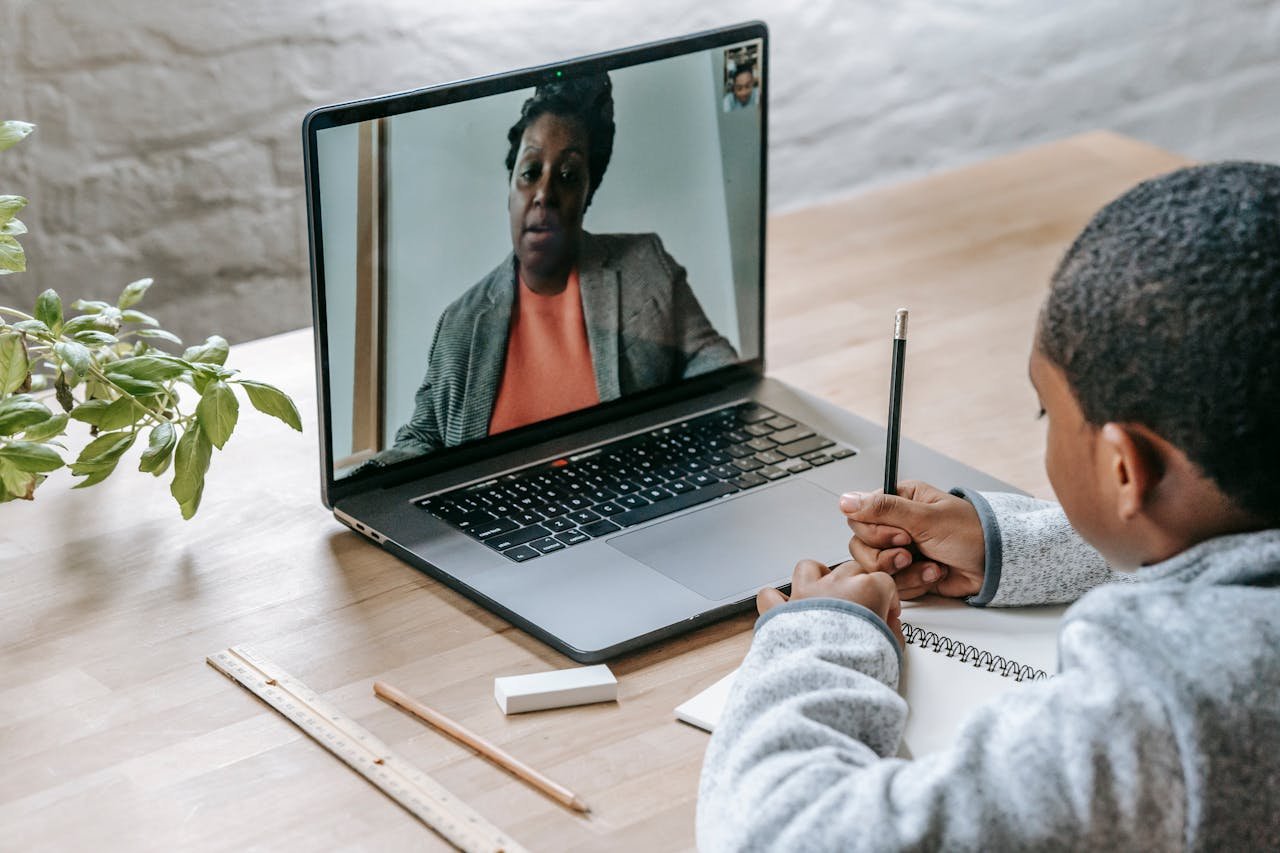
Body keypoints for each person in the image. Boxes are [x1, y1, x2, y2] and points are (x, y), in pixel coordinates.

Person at [697, 162, 1280, 850]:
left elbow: (778, 835)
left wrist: (819, 641)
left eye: (1046, 410)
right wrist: (1016, 548)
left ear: (1124, 468)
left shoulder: (1173, 708)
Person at [380, 74, 738, 464]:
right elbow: (421, 437)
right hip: (502, 520)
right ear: (510, 190)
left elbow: (710, 357)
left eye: (568, 177)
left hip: (629, 503)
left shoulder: (644, 262)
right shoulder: (460, 323)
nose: (544, 195)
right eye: (531, 172)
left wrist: (686, 449)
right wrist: (362, 484)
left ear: (587, 195)